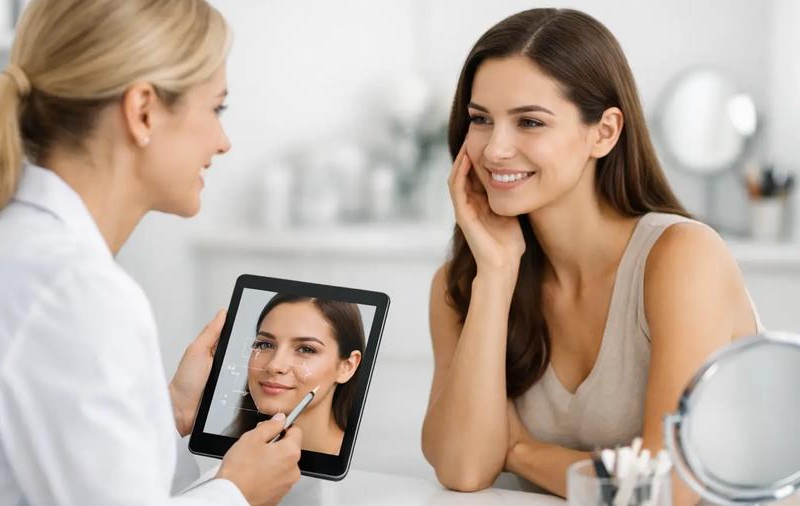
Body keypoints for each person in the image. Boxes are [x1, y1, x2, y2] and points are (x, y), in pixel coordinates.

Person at [0, 1, 302, 504]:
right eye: (216, 107)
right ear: (142, 111)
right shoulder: (71, 291)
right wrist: (238, 491)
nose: (223, 141)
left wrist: (171, 409)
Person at [420, 8, 762, 505]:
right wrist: (496, 274)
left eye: (530, 122)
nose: (494, 149)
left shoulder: (682, 258)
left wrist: (517, 450)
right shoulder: (464, 282)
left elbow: (669, 490)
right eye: (480, 120)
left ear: (603, 132)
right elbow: (464, 468)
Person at [226, 294, 364, 456]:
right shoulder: (231, 450)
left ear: (347, 367)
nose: (274, 365)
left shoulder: (362, 467)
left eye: (306, 349)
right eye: (265, 344)